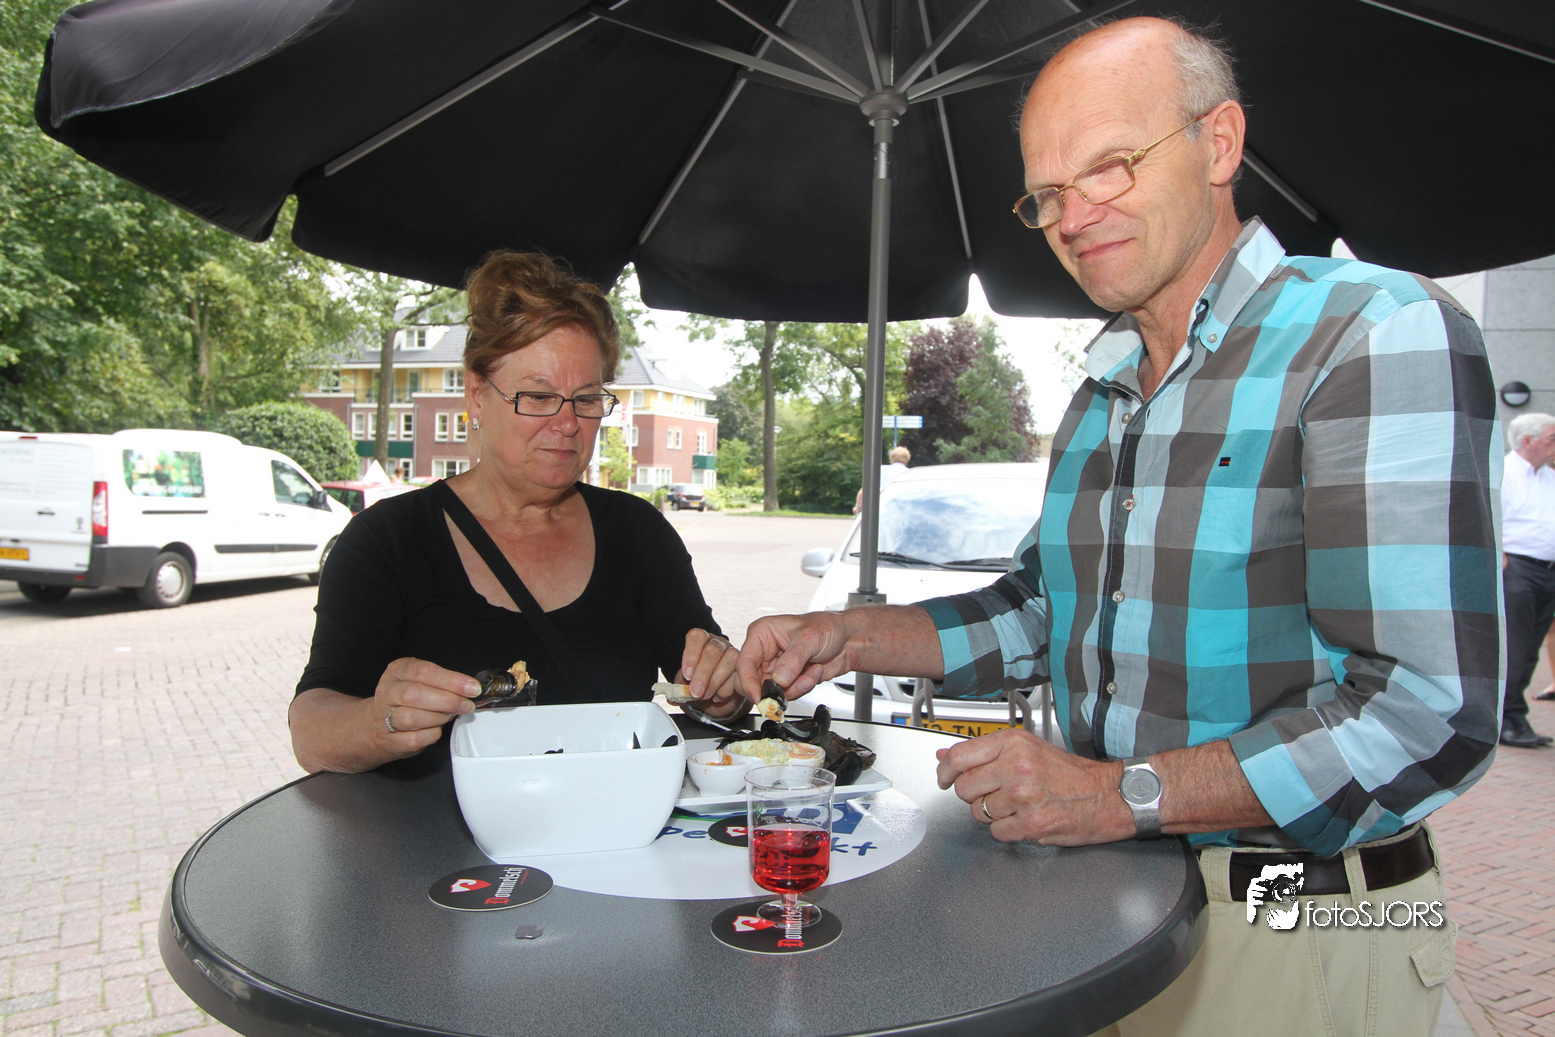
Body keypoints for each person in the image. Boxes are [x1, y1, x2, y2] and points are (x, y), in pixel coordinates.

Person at [737, 17, 1499, 1037]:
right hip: (1116, 903)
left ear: (1218, 142)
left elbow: (1426, 712)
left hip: (1296, 915)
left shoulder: (1371, 331)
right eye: (1047, 194)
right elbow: (1041, 609)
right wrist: (849, 636)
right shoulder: (1100, 392)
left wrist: (1113, 795)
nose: (1072, 217)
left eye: (1108, 167)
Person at [291, 251, 744, 774]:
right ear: (476, 395)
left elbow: (709, 679)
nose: (568, 423)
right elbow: (311, 730)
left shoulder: (637, 532)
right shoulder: (386, 539)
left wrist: (722, 690)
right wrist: (377, 724)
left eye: (586, 399)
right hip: (436, 828)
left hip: (613, 817)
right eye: (538, 396)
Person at [1499, 412, 1555, 747]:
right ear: (1528, 441)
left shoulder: (1549, 477)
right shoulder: (1503, 472)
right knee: (1516, 648)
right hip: (1517, 568)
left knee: (1531, 648)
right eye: (1551, 439)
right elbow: (1487, 517)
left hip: (1547, 570)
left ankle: (1516, 718)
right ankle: (1506, 720)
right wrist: (1499, 554)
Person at [852, 445, 911, 515]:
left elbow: (863, 492)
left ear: (891, 458)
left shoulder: (879, 470)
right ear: (907, 459)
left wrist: (858, 507)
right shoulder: (910, 473)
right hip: (901, 512)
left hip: (878, 511)